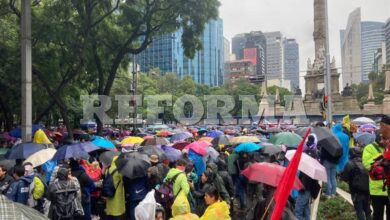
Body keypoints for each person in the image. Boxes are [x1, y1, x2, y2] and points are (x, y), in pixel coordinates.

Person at [363, 116, 390, 220]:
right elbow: (367, 164)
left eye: (385, 138)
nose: (384, 140)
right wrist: (380, 159)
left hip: (387, 187)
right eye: (382, 138)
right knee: (377, 215)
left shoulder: (388, 147)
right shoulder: (369, 148)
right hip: (376, 190)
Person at [340, 147, 371, 220]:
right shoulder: (365, 163)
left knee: (359, 212)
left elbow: (344, 178)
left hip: (356, 192)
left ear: (351, 154)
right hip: (367, 191)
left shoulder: (350, 164)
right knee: (368, 211)